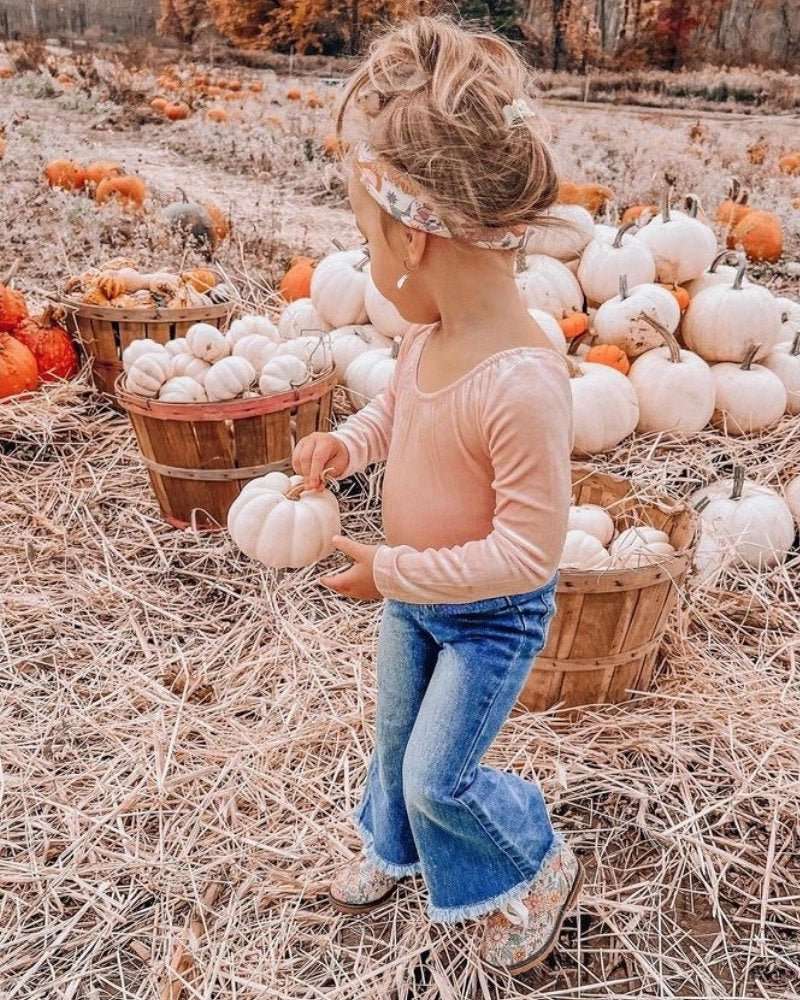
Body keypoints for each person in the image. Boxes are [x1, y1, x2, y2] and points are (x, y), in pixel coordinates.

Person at [292, 15, 581, 975]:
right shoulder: (429, 336)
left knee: (436, 773)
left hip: (487, 619)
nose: (369, 266)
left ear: (413, 239)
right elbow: (402, 411)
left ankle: (533, 858)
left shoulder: (523, 382)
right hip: (412, 591)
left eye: (366, 242)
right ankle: (395, 848)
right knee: (393, 742)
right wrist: (349, 445)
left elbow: (527, 555)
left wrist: (394, 571)